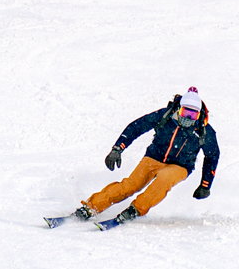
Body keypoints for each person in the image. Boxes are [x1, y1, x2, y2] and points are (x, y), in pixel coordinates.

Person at [73, 87, 219, 225]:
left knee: (164, 178)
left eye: (193, 114)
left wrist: (205, 185)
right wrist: (118, 148)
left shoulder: (204, 131)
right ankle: (91, 207)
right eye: (185, 112)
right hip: (154, 157)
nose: (188, 118)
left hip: (180, 166)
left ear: (199, 115)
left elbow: (212, 156)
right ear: (179, 109)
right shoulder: (165, 115)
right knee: (131, 185)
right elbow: (137, 126)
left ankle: (136, 209)